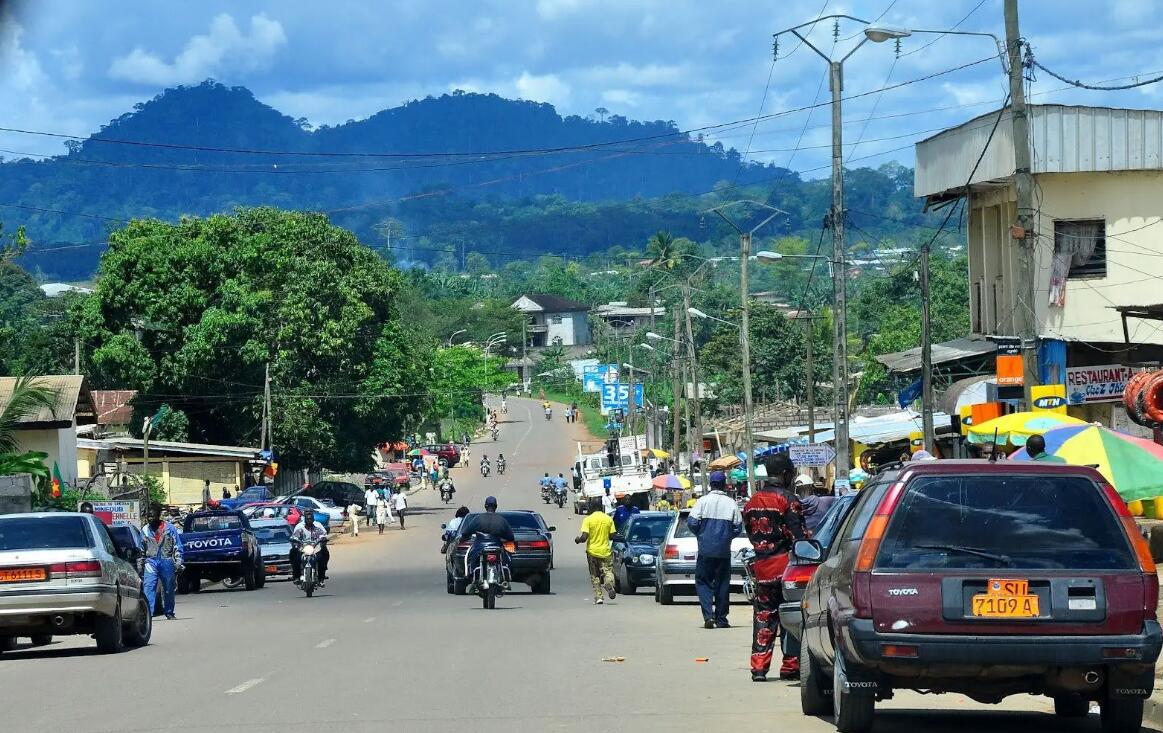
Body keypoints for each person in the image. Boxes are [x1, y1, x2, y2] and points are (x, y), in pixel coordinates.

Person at [743, 453, 806, 681]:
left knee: (763, 617)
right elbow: (799, 537)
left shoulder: (751, 502)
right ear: (786, 474)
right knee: (791, 616)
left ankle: (759, 668)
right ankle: (790, 666)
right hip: (786, 569)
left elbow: (751, 534)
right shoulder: (789, 500)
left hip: (761, 568)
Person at [687, 471, 742, 630]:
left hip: (705, 550)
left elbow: (692, 523)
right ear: (724, 484)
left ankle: (709, 617)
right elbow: (738, 526)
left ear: (711, 484)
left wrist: (702, 535)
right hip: (723, 551)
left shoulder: (703, 502)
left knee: (703, 582)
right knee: (723, 584)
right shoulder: (731, 503)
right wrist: (727, 537)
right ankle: (722, 618)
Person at [142, 504, 184, 619]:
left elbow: (177, 546)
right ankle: (148, 614)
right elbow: (141, 549)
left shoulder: (169, 528)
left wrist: (179, 561)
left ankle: (169, 611)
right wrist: (140, 564)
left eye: (152, 516)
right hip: (151, 561)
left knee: (169, 588)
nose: (149, 519)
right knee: (148, 586)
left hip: (166, 560)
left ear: (158, 516)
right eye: (148, 516)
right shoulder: (145, 530)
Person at [466, 497, 516, 589]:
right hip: (496, 546)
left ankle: (473, 577)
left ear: (485, 506)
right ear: (496, 506)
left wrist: (464, 537)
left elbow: (466, 532)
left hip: (480, 547)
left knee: (471, 558)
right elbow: (510, 536)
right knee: (506, 559)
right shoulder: (501, 520)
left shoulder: (478, 519)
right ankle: (505, 579)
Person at [575, 507, 617, 605]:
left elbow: (584, 537)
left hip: (592, 552)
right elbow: (612, 536)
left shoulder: (588, 519)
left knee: (595, 575)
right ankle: (608, 584)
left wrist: (578, 540)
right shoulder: (608, 519)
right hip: (605, 551)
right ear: (602, 507)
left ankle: (599, 597)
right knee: (608, 571)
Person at [290, 509, 329, 587]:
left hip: (315, 549)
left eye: (310, 519)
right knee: (295, 557)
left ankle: (321, 578)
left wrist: (323, 539)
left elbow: (323, 535)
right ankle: (296, 576)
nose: (309, 520)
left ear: (313, 519)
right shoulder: (300, 528)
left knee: (322, 558)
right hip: (303, 549)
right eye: (307, 519)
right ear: (305, 519)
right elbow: (294, 536)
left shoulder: (317, 528)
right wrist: (295, 540)